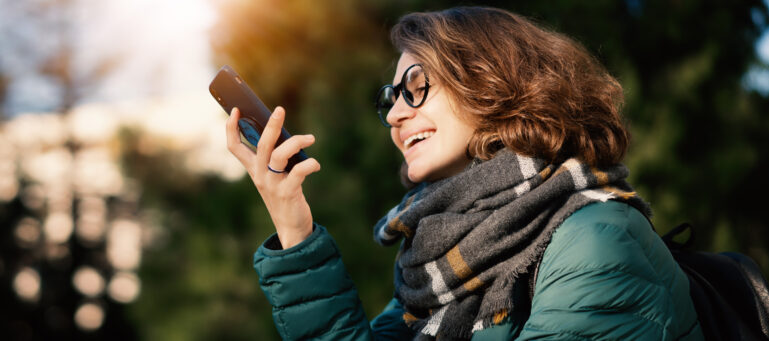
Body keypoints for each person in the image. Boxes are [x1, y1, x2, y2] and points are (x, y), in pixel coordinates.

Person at [225, 6, 703, 341]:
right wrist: (292, 223)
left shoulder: (598, 239)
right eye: (390, 101)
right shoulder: (436, 261)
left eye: (415, 88)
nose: (394, 116)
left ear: (492, 84)